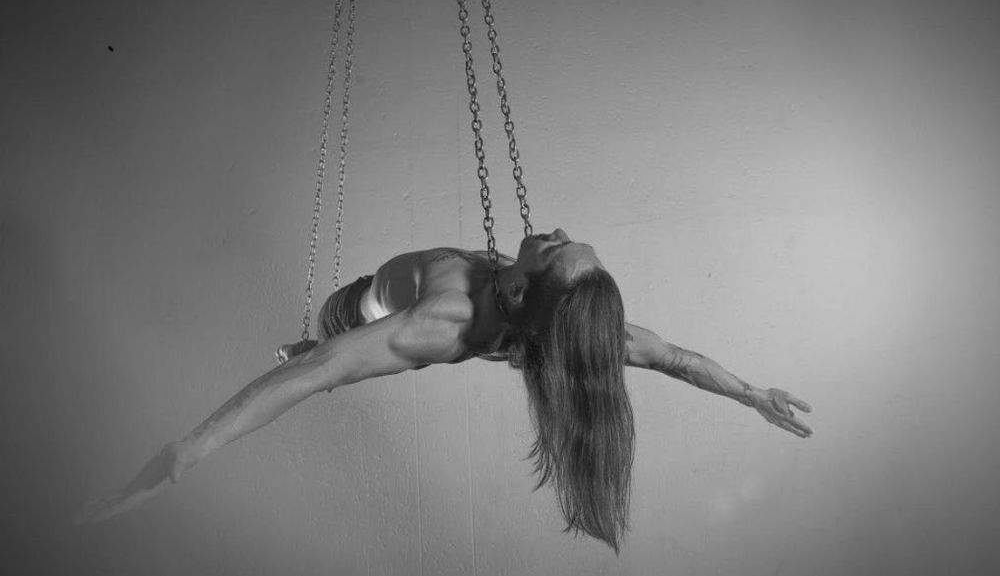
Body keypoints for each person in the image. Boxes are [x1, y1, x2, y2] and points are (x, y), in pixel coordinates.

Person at [75, 228, 812, 552]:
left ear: (520, 289)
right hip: (435, 320)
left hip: (355, 312)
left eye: (557, 248)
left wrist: (188, 451)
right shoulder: (573, 327)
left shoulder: (443, 320)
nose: (555, 230)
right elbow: (677, 358)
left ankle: (326, 330)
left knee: (328, 347)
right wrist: (752, 393)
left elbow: (312, 374)